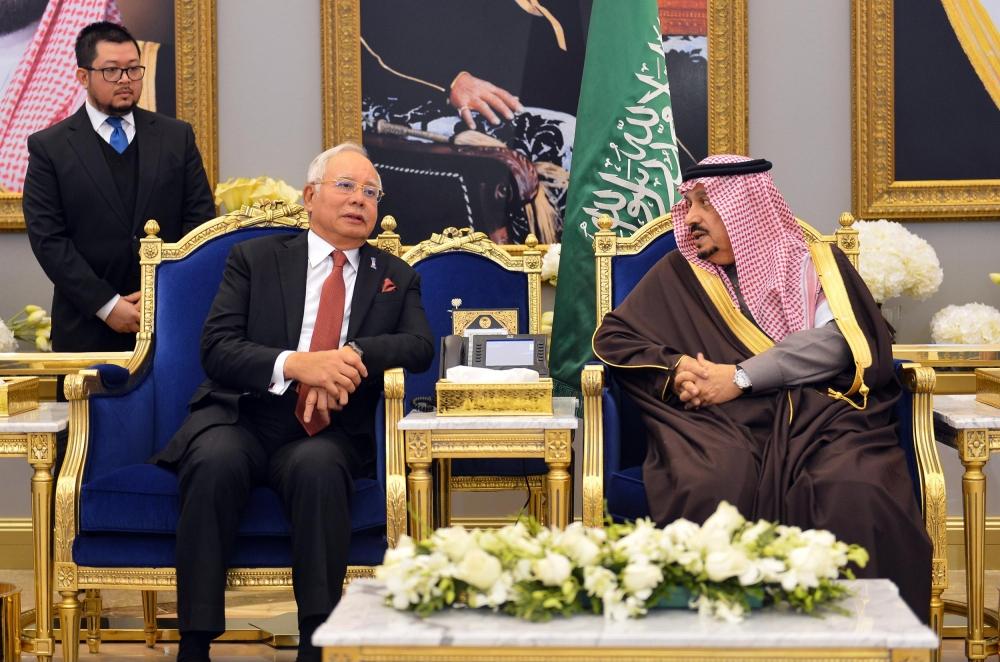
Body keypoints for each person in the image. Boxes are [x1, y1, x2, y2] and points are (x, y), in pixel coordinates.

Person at [592, 154, 932, 620]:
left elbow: (840, 343)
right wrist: (678, 368)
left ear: (746, 207)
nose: (690, 218)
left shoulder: (814, 264)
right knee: (711, 480)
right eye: (688, 204)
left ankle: (857, 638)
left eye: (705, 203)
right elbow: (616, 337)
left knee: (854, 489)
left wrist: (739, 377)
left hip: (822, 419)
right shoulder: (678, 274)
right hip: (720, 423)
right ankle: (718, 637)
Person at [150, 143, 434, 662]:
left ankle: (316, 640)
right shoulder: (255, 259)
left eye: (371, 192)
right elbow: (218, 348)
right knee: (214, 461)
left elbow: (419, 346)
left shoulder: (395, 275)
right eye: (345, 186)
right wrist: (299, 364)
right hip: (243, 413)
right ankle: (195, 642)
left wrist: (350, 355)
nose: (359, 200)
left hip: (327, 430)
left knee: (319, 470)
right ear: (310, 196)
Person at [22, 21, 214, 353]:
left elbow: (200, 222)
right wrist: (107, 305)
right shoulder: (50, 147)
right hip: (86, 326)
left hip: (169, 320)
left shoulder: (176, 137)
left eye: (133, 69)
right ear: (83, 76)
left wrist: (161, 294)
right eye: (111, 71)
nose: (125, 80)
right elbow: (49, 240)